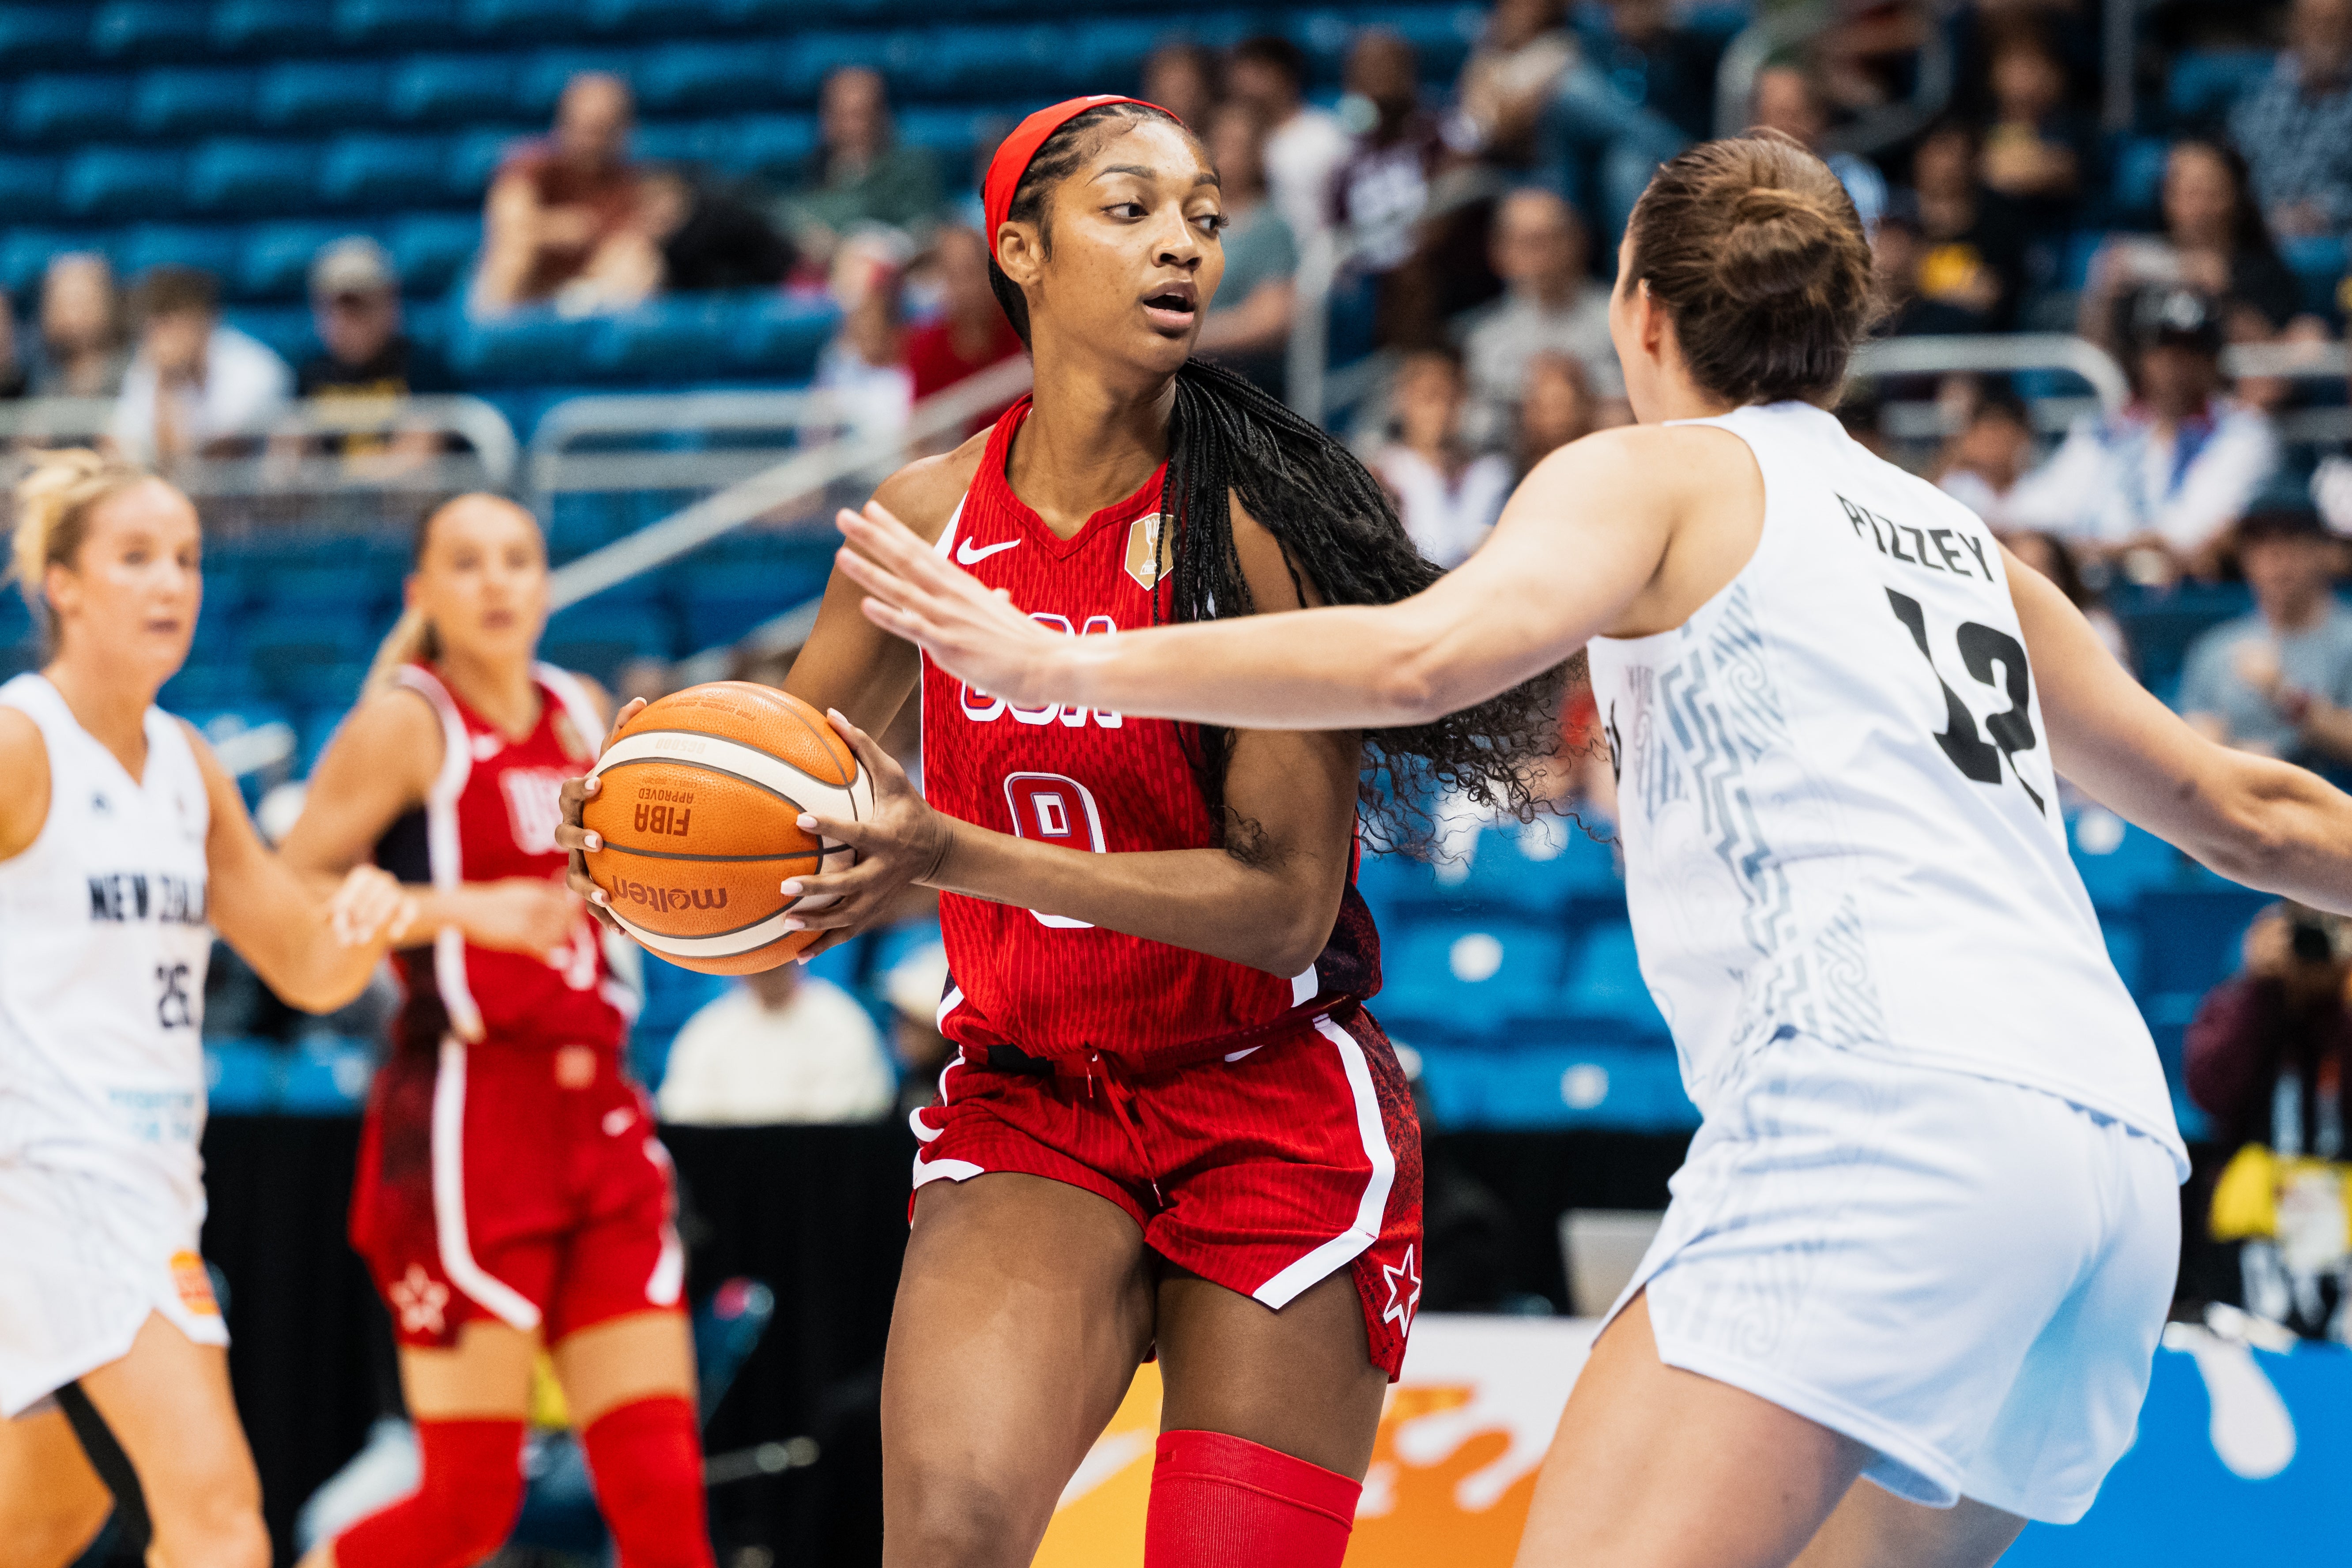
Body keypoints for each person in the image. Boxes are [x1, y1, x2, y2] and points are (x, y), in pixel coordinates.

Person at [840, 127, 2352, 1568]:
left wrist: (1056, 663)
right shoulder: (1963, 548)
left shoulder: (1653, 473)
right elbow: (2251, 812)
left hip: (1880, 1108)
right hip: (2106, 1169)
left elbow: (1419, 661)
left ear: (1639, 312)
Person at [567, 95, 1557, 1568]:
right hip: (1034, 1100)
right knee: (948, 1541)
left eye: (1203, 219)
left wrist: (953, 857)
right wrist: (643, 835)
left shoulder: (1259, 524)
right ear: (1019, 251)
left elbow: (1283, 906)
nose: (1182, 246)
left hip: (1265, 1102)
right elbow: (787, 825)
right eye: (1131, 211)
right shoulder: (925, 521)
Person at [279, 494, 713, 1568]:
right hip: (469, 1117)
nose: (496, 582)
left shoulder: (582, 711)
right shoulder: (407, 723)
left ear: (545, 582)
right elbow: (288, 891)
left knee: (665, 1504)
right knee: (468, 1507)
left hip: (600, 1106)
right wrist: (464, 910)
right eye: (467, 563)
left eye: (517, 559)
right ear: (423, 592)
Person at [0, 452, 410, 1568]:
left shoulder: (184, 763)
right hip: (49, 1177)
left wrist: (367, 918)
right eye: (135, 558)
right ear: (61, 584)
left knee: (40, 1525)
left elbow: (307, 969)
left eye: (185, 559)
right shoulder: (23, 741)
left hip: (150, 1176)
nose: (170, 584)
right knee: (218, 1516)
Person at [2005, 286, 2278, 573]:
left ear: (2211, 362)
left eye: (2189, 350)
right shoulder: (2105, 429)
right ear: (2141, 358)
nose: (2174, 364)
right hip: (2088, 581)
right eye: (2162, 349)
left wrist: (2094, 550)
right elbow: (2035, 511)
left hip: (2175, 592)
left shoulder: (2243, 432)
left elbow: (2186, 537)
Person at [2187, 902, 2352, 1341]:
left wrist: (2340, 999)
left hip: (2342, 1228)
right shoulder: (2238, 1004)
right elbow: (2209, 1091)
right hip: (2251, 1233)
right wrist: (2260, 989)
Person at [2078, 139, 2309, 349]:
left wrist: (2220, 301)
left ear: (2234, 195)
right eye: (2182, 190)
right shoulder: (2138, 263)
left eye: (2206, 191)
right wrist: (2102, 298)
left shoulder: (2263, 269)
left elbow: (2275, 350)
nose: (2196, 205)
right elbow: (2095, 353)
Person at [2177, 503, 2352, 775]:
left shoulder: (2346, 640)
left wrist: (2286, 696)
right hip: (2236, 792)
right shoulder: (2215, 647)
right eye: (2259, 543)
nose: (2275, 556)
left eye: (2290, 540)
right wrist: (2220, 750)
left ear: (2322, 550)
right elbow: (2191, 742)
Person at [473, 72, 655, 317]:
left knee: (637, 260)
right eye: (585, 126)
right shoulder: (528, 165)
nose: (592, 139)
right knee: (514, 253)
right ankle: (495, 330)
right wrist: (558, 229)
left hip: (581, 288)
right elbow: (509, 227)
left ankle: (587, 325)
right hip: (525, 285)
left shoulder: (627, 182)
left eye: (603, 128)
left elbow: (630, 239)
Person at [1460, 188, 1624, 443]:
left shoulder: (1619, 320)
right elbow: (1478, 432)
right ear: (1499, 251)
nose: (1538, 253)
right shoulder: (1483, 340)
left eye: (1549, 238)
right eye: (1524, 241)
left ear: (1579, 241)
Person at [655, 960, 895, 1125]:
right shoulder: (709, 1030)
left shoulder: (842, 1022)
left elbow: (855, 1117)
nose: (766, 972)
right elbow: (683, 1113)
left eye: (774, 960)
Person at [294, 238, 456, 470]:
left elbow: (416, 462)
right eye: (335, 308)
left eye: (358, 305)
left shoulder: (425, 371)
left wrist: (334, 476)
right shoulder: (309, 378)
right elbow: (286, 466)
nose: (347, 321)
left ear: (390, 302)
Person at [108, 268, 292, 469]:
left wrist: (167, 385)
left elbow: (217, 457)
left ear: (204, 320)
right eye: (154, 326)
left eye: (170, 323)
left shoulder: (254, 369)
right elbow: (125, 445)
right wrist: (166, 384)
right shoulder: (146, 370)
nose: (161, 337)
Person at [779, 67, 945, 262]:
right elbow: (783, 216)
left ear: (883, 117)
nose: (850, 127)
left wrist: (855, 247)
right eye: (840, 114)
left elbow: (924, 231)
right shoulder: (803, 171)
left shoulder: (913, 170)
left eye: (859, 114)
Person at [1372, 347, 1515, 568]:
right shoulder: (1383, 475)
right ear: (1403, 401)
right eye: (1428, 398)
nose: (1440, 410)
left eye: (1450, 399)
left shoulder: (1491, 475)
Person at [1194, 101, 1300, 394]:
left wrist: (1184, 338)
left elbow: (1270, 322)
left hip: (1241, 382)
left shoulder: (1271, 227)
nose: (1227, 154)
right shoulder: (1181, 218)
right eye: (1220, 142)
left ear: (1257, 156)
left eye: (1239, 145)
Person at [2229, 0, 2352, 241]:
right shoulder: (2257, 95)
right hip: (2261, 237)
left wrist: (2324, 212)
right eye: (2314, 23)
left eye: (2336, 23)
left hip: (2339, 241)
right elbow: (2236, 171)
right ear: (2295, 27)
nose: (2325, 33)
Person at [1229, 35, 1351, 245]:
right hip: (1250, 257)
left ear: (1285, 77)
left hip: (1315, 255)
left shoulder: (1325, 136)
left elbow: (1344, 210)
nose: (1246, 85)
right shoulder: (1235, 138)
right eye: (1241, 74)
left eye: (1257, 73)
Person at [903, 226, 1025, 432]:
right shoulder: (926, 349)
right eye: (953, 275)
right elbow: (921, 434)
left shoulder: (1024, 326)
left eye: (971, 271)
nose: (965, 287)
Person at [1751, 65, 1885, 232]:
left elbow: (1865, 238)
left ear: (1818, 119)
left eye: (1792, 115)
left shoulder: (1851, 176)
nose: (1781, 128)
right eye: (1772, 115)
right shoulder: (1740, 178)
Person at [814, 232, 913, 444]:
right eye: (862, 318)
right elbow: (817, 437)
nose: (868, 327)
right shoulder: (836, 362)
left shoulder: (915, 362)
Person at [1454, 0, 1577, 167]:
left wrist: (1489, 95)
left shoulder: (1560, 48)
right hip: (1484, 163)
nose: (1511, 10)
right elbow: (1469, 108)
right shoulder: (1491, 54)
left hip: (1528, 170)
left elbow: (1506, 125)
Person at [30, 254, 128, 400]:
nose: (76, 316)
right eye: (67, 304)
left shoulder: (132, 375)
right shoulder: (43, 380)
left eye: (84, 302)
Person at [1515, 351, 1605, 476]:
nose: (1557, 418)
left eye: (1563, 405)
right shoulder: (1507, 473)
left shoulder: (1601, 463)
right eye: (1548, 408)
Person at [1140, 41, 1221, 135]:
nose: (1178, 98)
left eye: (1185, 88)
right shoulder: (1140, 135)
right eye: (1171, 89)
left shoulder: (1222, 133)